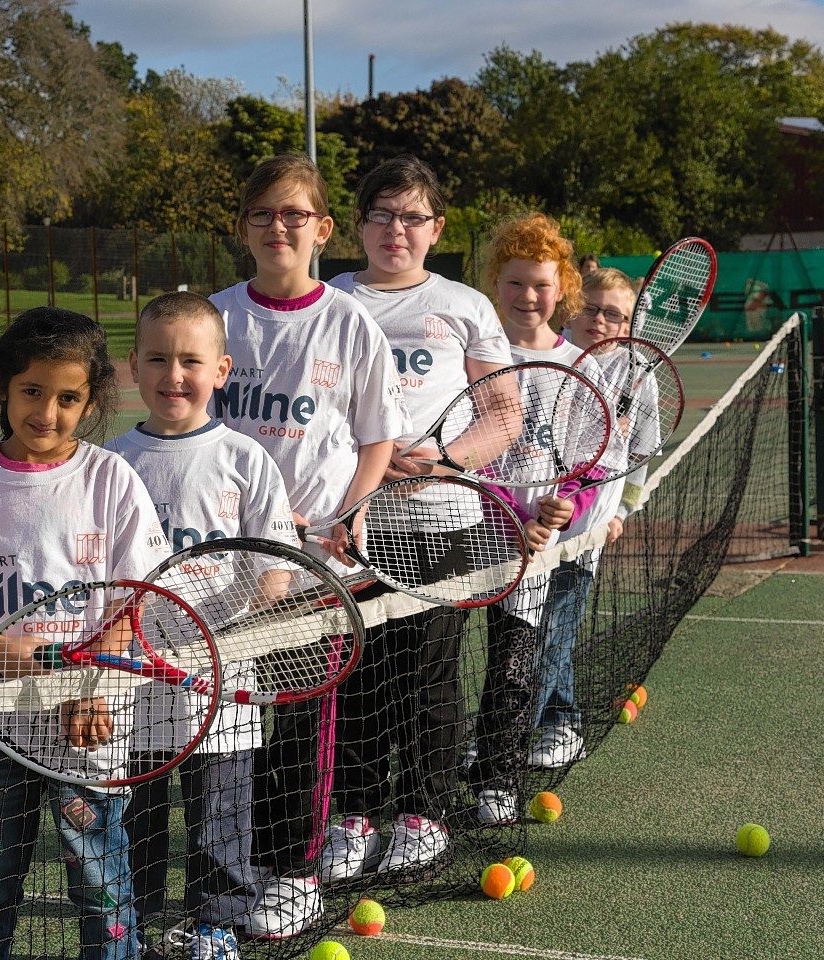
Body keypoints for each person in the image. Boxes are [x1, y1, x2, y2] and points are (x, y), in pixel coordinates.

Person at [209, 154, 409, 938]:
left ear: (324, 229)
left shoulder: (350, 321)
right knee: (227, 728)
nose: (279, 227)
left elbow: (375, 438)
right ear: (244, 228)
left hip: (315, 566)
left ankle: (293, 870)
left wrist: (352, 511)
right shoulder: (215, 315)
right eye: (264, 214)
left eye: (295, 214)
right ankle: (232, 871)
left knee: (299, 721)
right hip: (225, 567)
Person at [0, 306, 169, 960]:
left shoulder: (110, 478)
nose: (46, 412)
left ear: (90, 401)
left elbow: (135, 602)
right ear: (5, 387)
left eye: (68, 398)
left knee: (99, 874)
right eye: (32, 392)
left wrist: (88, 688)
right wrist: (20, 665)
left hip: (90, 720)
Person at [324, 155, 516, 875]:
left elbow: (504, 415)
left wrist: (445, 460)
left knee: (431, 676)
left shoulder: (466, 305)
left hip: (440, 523)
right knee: (357, 678)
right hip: (351, 527)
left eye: (411, 217)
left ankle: (425, 811)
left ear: (435, 227)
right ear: (359, 224)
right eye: (381, 214)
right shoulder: (331, 299)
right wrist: (362, 474)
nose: (395, 229)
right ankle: (355, 817)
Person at [105, 291, 296, 959]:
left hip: (220, 683)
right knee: (140, 820)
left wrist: (247, 617)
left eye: (191, 360)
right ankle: (136, 925)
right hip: (132, 683)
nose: (173, 375)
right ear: (134, 365)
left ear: (222, 369)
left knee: (220, 814)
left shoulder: (245, 458)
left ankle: (217, 924)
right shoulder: (110, 461)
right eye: (157, 358)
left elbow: (276, 568)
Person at [468, 212, 601, 825]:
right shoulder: (471, 355)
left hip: (534, 547)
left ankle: (497, 778)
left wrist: (565, 508)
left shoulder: (582, 368)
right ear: (497, 283)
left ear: (562, 288)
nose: (528, 296)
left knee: (515, 660)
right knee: (431, 664)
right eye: (516, 282)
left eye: (541, 284)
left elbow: (591, 466)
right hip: (462, 532)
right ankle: (427, 780)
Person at [530, 267, 647, 768]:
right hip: (529, 527)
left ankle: (551, 725)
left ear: (627, 324)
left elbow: (641, 452)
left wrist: (620, 509)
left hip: (583, 534)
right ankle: (539, 719)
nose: (599, 320)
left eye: (613, 314)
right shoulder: (549, 356)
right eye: (591, 308)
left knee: (555, 627)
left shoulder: (636, 379)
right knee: (525, 632)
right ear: (572, 307)